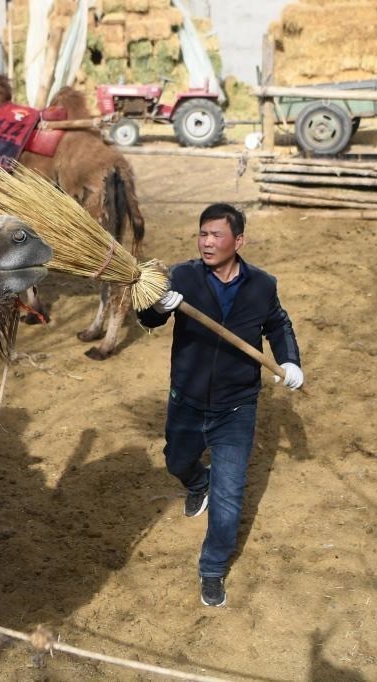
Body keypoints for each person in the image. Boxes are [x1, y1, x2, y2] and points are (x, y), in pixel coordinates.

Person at [137, 203, 303, 608]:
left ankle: (212, 569)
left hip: (236, 407)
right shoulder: (183, 277)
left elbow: (278, 324)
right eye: (203, 234)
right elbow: (150, 321)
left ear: (238, 241)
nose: (207, 242)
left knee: (228, 496)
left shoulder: (262, 285)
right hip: (187, 399)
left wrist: (290, 361)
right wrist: (156, 307)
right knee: (176, 461)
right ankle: (198, 483)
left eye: (216, 235)